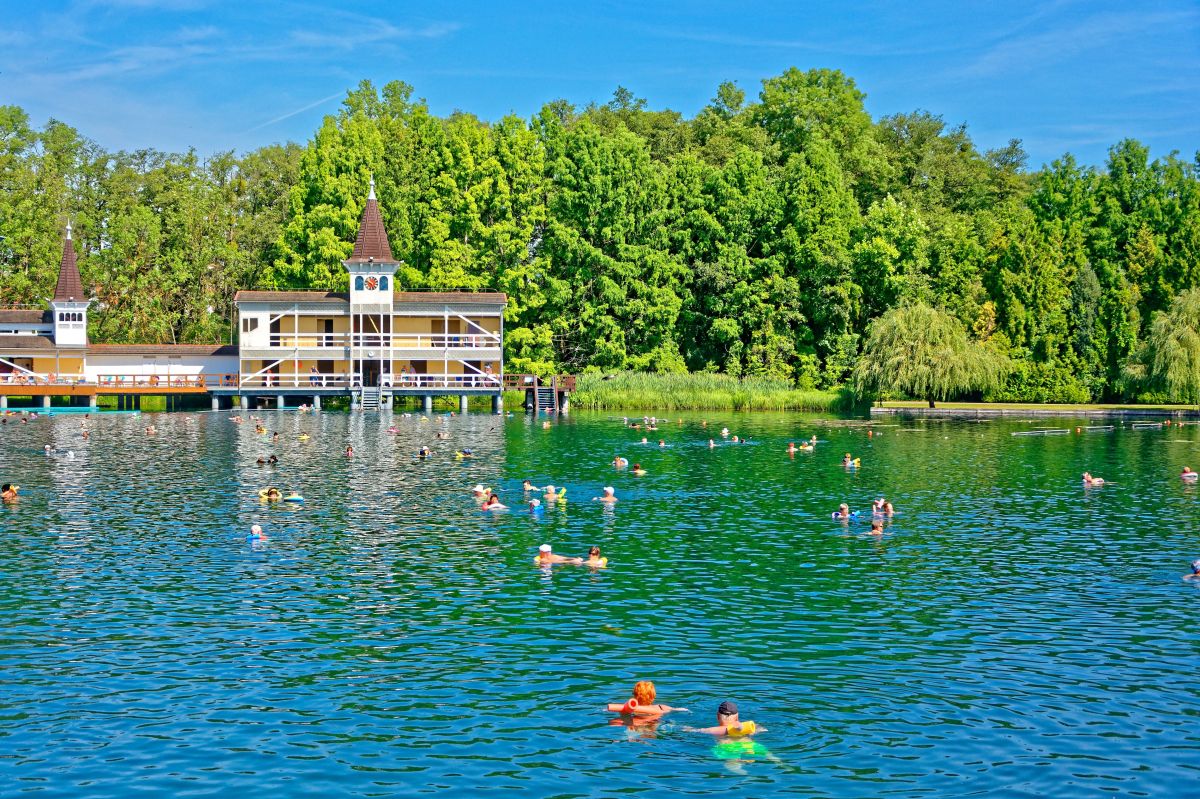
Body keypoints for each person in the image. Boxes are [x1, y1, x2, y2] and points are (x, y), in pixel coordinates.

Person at [606, 681, 683, 717]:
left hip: (639, 725)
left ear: (636, 696)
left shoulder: (629, 709)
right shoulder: (661, 707)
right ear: (653, 696)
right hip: (656, 724)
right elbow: (680, 709)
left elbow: (610, 710)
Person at [691, 701, 761, 737]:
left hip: (728, 747)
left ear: (718, 716)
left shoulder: (712, 730)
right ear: (737, 716)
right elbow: (763, 729)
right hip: (749, 745)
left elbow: (694, 731)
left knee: (733, 761)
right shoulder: (749, 727)